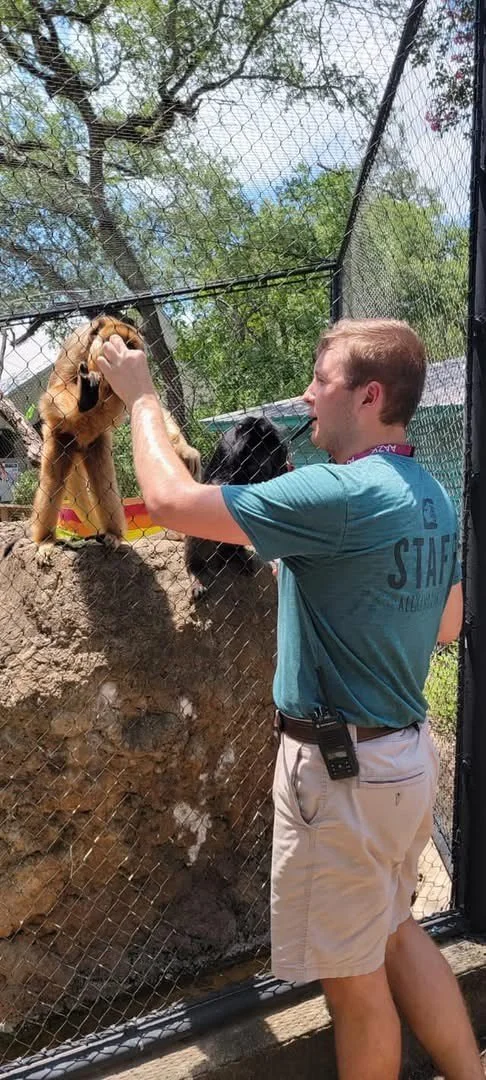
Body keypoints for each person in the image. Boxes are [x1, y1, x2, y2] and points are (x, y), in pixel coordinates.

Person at [98, 318, 482, 1080]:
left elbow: (172, 503)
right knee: (400, 929)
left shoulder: (336, 493)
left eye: (322, 379)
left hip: (342, 779)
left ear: (369, 395)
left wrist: (142, 397)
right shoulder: (429, 494)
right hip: (405, 762)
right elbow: (446, 625)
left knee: (356, 987)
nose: (307, 394)